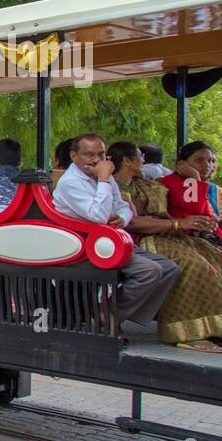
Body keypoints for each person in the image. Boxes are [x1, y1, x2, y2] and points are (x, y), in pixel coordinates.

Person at [109, 142, 222, 352]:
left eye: (210, 160)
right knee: (194, 265)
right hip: (140, 239)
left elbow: (192, 213)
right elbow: (132, 223)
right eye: (138, 155)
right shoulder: (116, 186)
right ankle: (187, 332)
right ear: (127, 160)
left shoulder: (145, 183)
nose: (143, 158)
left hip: (169, 233)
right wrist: (178, 224)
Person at [51, 133, 178, 332]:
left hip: (111, 242)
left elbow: (124, 207)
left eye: (101, 154)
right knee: (149, 271)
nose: (96, 160)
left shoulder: (106, 177)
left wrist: (122, 218)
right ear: (74, 156)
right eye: (89, 155)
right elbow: (99, 217)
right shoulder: (70, 182)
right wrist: (103, 180)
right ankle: (109, 316)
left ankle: (111, 313)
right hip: (85, 247)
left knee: (170, 268)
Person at [159, 141, 222, 254]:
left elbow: (208, 219)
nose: (207, 165)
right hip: (181, 239)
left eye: (211, 160)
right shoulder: (168, 183)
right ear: (181, 165)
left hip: (204, 237)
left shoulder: (202, 186)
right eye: (199, 160)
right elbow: (196, 211)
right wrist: (195, 178)